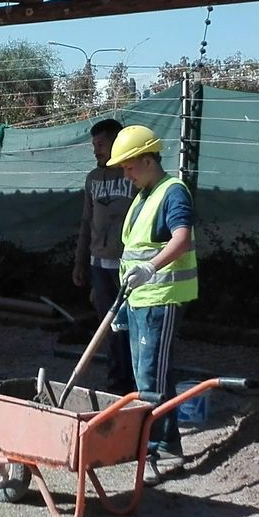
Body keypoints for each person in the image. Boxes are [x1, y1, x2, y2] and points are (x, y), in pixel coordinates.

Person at [108, 123, 197, 467]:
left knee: (152, 380)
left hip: (161, 298)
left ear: (147, 160)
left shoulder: (172, 192)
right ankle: (159, 444)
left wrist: (151, 269)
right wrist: (123, 304)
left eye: (129, 166)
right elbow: (134, 251)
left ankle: (161, 450)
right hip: (138, 300)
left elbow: (182, 238)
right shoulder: (144, 195)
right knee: (143, 376)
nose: (126, 174)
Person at [73, 117, 135, 395]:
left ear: (116, 143)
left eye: (101, 144)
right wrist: (80, 262)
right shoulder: (92, 179)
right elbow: (86, 222)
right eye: (93, 144)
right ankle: (117, 383)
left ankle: (134, 382)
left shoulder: (132, 175)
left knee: (129, 325)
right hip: (98, 264)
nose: (96, 150)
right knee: (108, 329)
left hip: (128, 266)